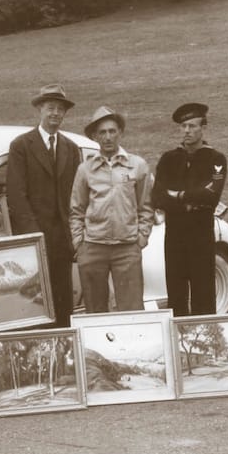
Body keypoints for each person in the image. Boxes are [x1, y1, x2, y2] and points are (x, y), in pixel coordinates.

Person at [6, 83, 81, 326]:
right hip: (34, 238)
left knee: (63, 303)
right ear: (39, 110)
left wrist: (73, 234)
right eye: (50, 108)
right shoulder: (22, 146)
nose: (55, 114)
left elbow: (75, 196)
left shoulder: (71, 148)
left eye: (60, 109)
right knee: (35, 304)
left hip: (62, 239)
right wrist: (34, 236)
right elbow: (16, 195)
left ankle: (66, 351)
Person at [69, 106, 154, 313]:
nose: (108, 137)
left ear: (120, 133)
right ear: (95, 137)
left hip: (127, 248)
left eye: (112, 131)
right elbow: (76, 210)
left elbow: (146, 206)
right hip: (93, 247)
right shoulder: (85, 170)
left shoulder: (137, 165)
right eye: (102, 133)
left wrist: (142, 236)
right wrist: (79, 242)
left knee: (132, 308)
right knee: (96, 310)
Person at [151, 103, 228, 316]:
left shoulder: (216, 159)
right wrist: (191, 198)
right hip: (174, 235)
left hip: (201, 234)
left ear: (203, 128)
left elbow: (212, 195)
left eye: (192, 126)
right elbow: (157, 196)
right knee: (176, 294)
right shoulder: (169, 159)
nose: (187, 131)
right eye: (183, 126)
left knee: (204, 291)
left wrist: (179, 195)